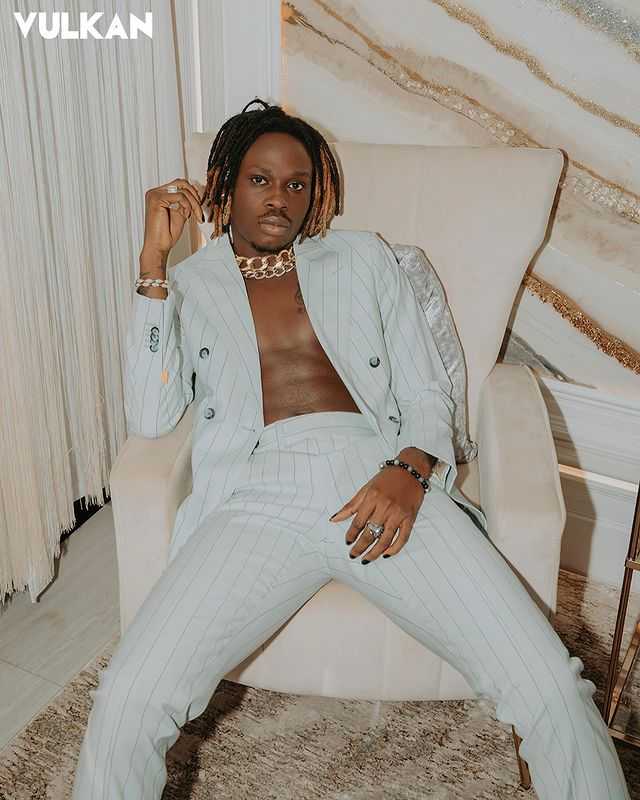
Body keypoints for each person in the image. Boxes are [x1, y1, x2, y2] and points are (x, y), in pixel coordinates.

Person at [72, 99, 630, 799]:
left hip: (379, 477)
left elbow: (425, 390)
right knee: (128, 694)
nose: (279, 197)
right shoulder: (186, 286)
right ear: (224, 186)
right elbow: (150, 417)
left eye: (297, 183)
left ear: (316, 196)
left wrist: (409, 471)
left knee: (550, 683)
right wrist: (153, 264)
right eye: (260, 179)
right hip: (254, 497)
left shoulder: (363, 257)